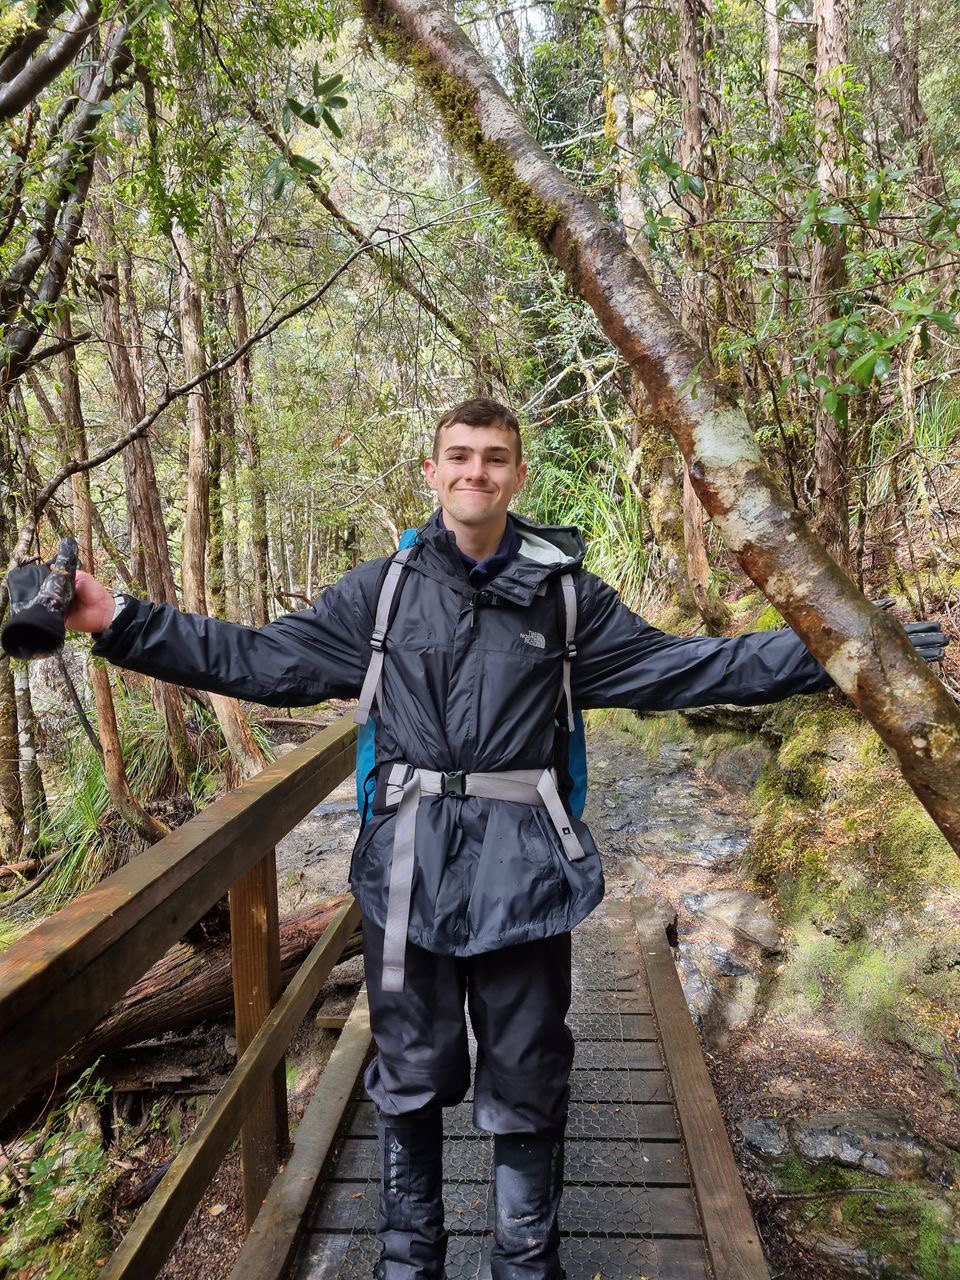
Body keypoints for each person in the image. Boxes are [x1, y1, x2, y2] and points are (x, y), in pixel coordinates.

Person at [63, 397, 946, 1280]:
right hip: (407, 871)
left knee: (526, 1072)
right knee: (409, 1071)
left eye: (493, 458)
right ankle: (412, 1263)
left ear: (519, 475)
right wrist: (118, 619)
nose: (474, 472)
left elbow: (688, 668)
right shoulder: (384, 593)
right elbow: (257, 660)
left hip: (525, 876)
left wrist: (846, 647)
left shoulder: (566, 599)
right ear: (432, 472)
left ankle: (528, 1264)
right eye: (458, 456)